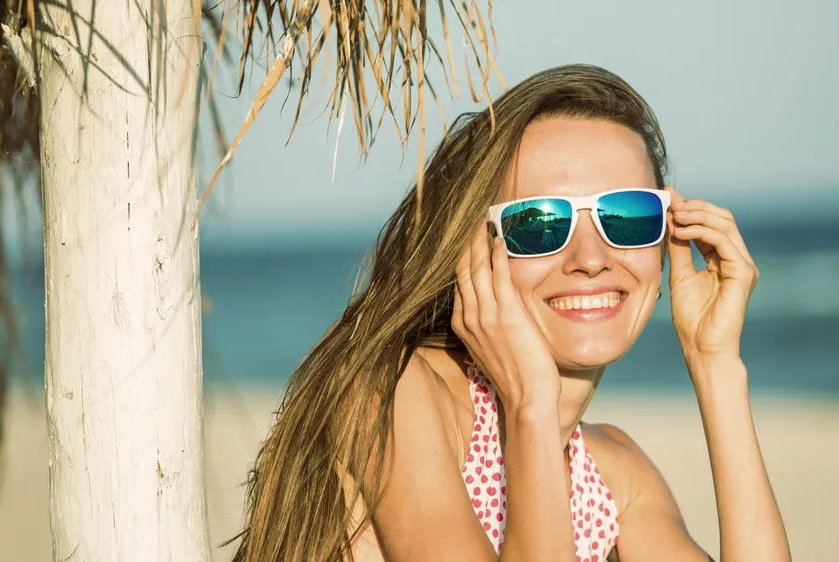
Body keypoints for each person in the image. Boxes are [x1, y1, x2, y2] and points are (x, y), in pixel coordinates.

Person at [228, 64, 791, 562]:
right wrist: (530, 405)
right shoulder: (395, 393)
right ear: (474, 247)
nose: (591, 258)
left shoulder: (613, 476)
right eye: (540, 223)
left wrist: (715, 364)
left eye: (627, 216)